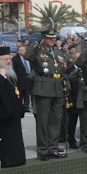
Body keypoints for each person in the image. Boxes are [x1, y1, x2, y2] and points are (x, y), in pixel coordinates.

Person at [25, 29, 67, 161]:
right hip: (43, 88)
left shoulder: (59, 52)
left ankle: (53, 148)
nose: (52, 40)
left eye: (54, 38)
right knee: (43, 121)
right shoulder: (38, 50)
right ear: (44, 38)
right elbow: (27, 56)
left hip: (57, 89)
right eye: (49, 38)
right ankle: (43, 150)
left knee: (55, 121)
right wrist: (37, 43)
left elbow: (62, 70)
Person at [0, 47, 26, 168]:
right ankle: (7, 161)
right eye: (6, 59)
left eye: (9, 59)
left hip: (13, 114)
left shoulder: (9, 73)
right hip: (0, 115)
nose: (9, 61)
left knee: (14, 140)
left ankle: (17, 159)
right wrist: (1, 77)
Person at [12, 46, 32, 112]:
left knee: (27, 94)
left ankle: (26, 107)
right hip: (20, 78)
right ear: (18, 51)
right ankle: (20, 107)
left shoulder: (28, 57)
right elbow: (14, 69)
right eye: (22, 50)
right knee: (20, 93)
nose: (24, 51)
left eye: (24, 50)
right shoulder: (15, 59)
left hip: (28, 77)